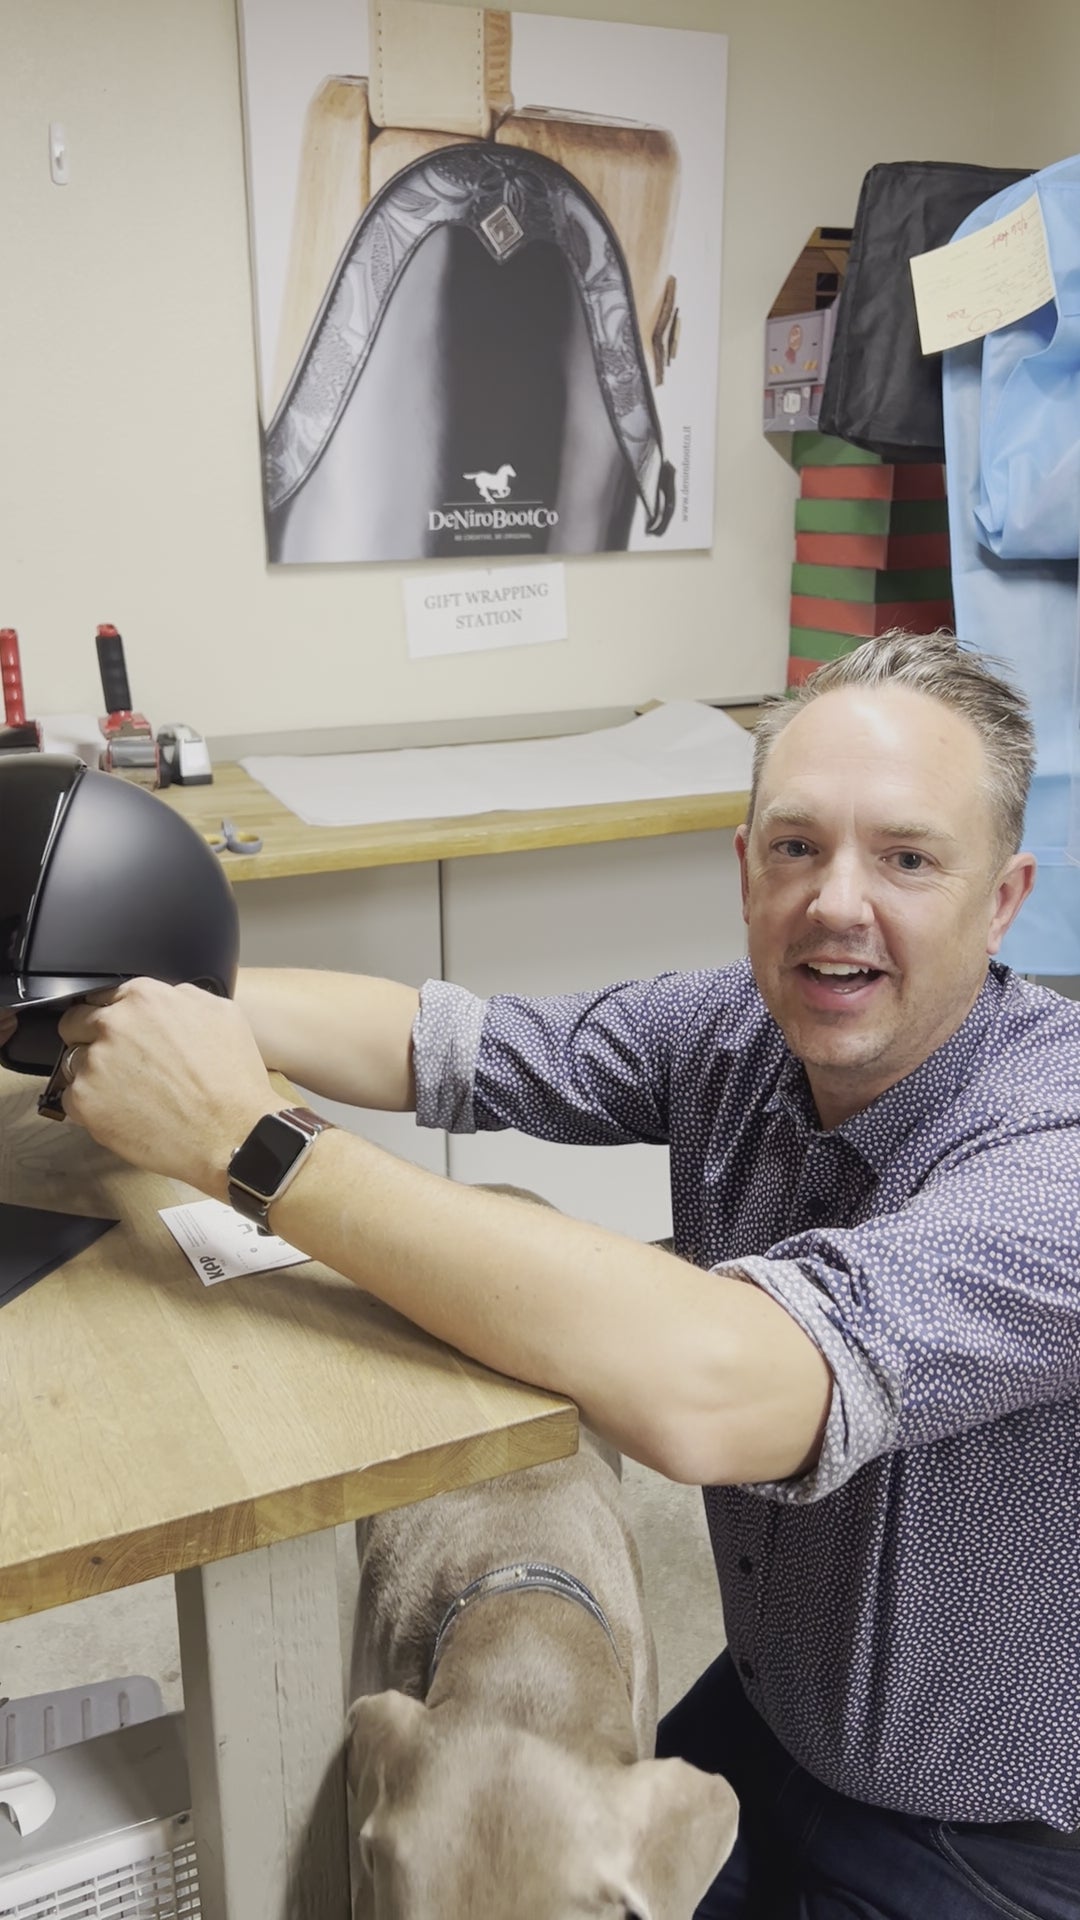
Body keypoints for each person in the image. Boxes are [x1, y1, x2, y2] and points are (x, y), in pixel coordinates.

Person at [12, 631, 1080, 1918]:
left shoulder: (1053, 1147)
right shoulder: (737, 1034)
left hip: (986, 1834)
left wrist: (249, 1138)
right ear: (746, 870)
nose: (837, 902)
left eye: (907, 858)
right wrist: (125, 992)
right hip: (769, 1721)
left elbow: (726, 1389)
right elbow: (448, 1045)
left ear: (1005, 896)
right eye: (797, 847)